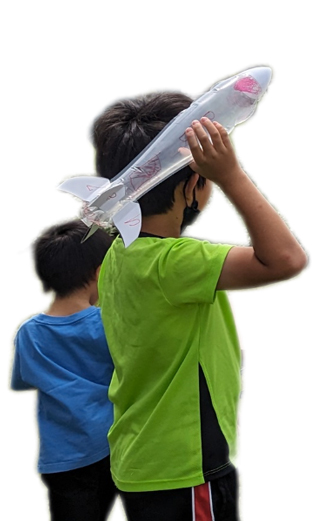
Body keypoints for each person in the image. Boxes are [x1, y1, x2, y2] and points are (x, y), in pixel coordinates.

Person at [92, 91, 307, 521]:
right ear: (192, 183)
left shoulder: (119, 254)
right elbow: (286, 258)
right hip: (184, 466)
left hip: (145, 456)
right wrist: (231, 175)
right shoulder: (173, 263)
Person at [11, 220, 117, 521]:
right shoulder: (110, 323)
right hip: (114, 445)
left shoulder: (29, 333)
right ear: (100, 272)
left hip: (63, 457)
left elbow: (23, 380)